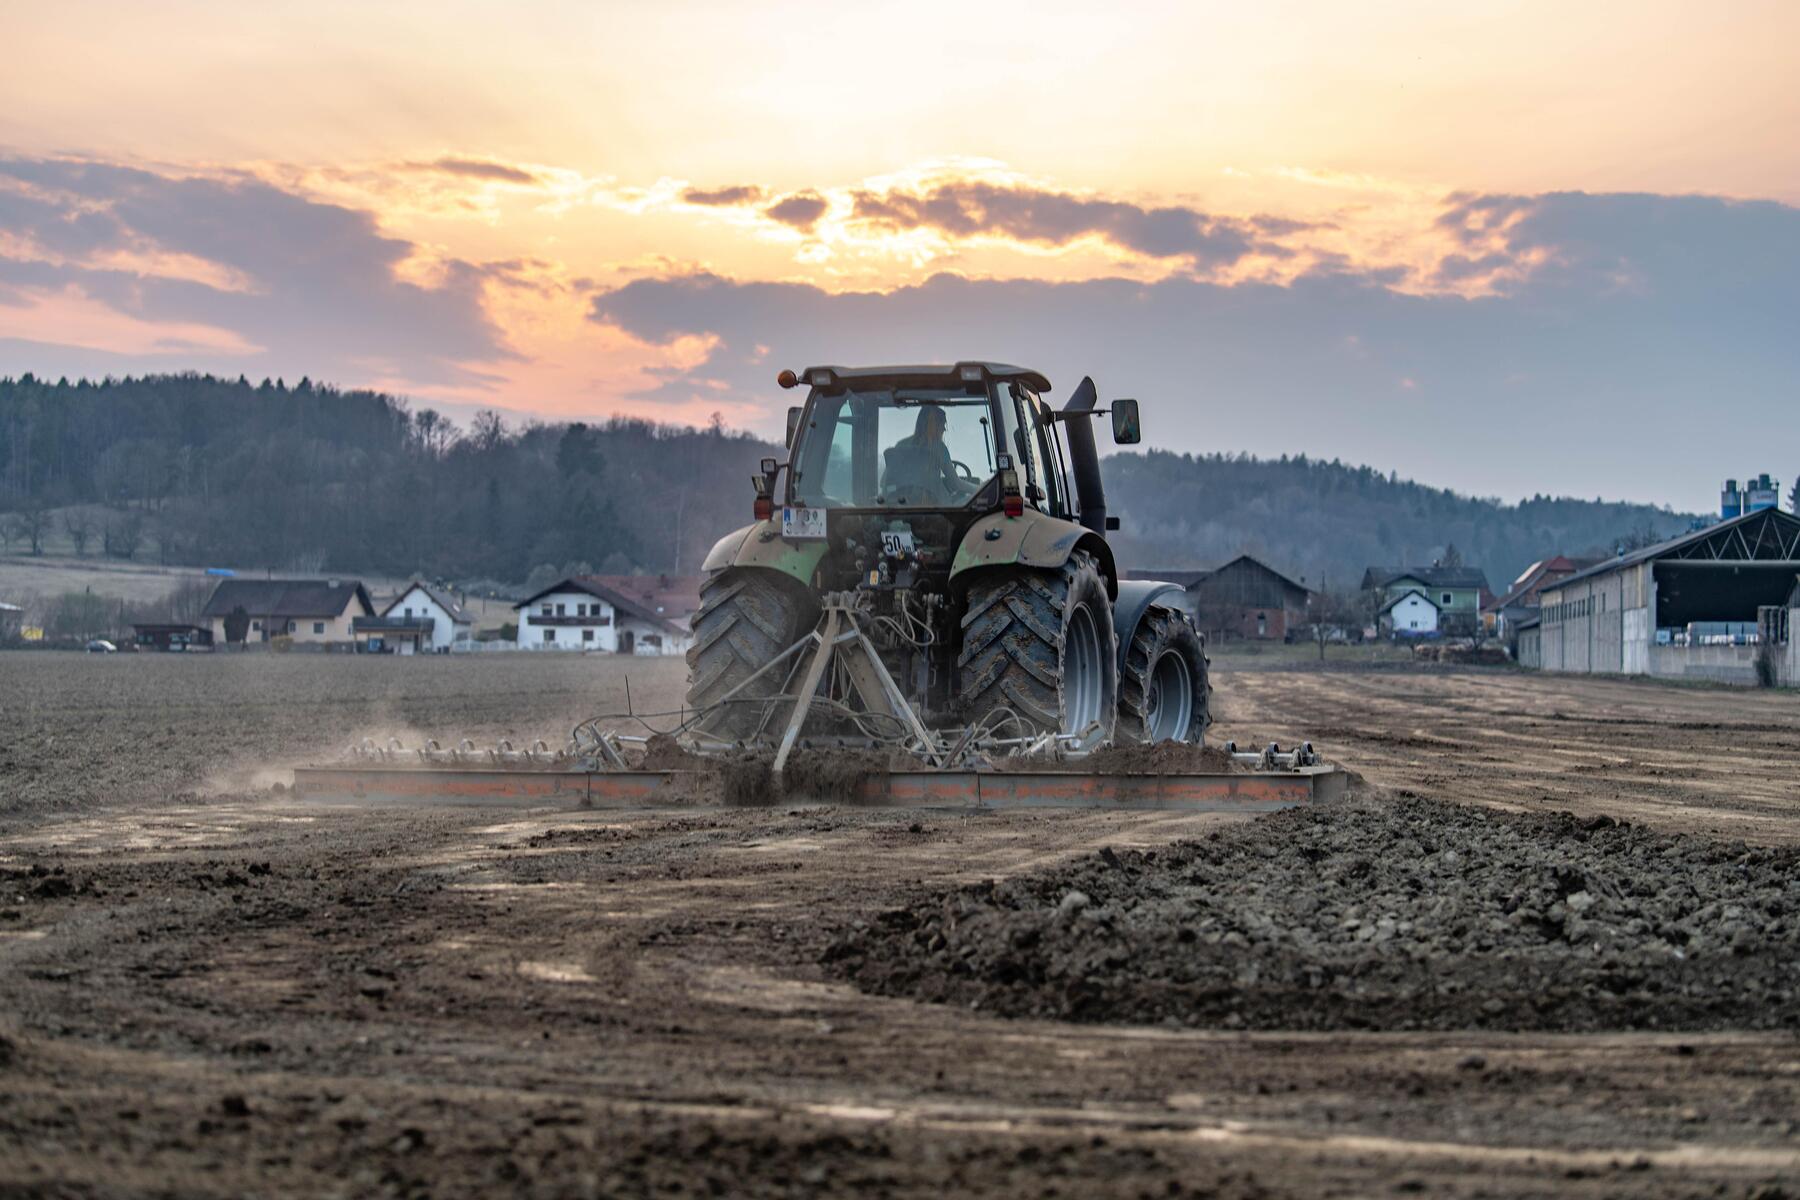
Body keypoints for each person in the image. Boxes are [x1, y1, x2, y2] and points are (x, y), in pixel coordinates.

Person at [881, 404, 967, 503]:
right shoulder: (939, 447)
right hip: (938, 509)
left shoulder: (901, 445)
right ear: (933, 425)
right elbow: (955, 483)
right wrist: (978, 488)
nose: (944, 429)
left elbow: (885, 481)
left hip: (904, 506)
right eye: (942, 424)